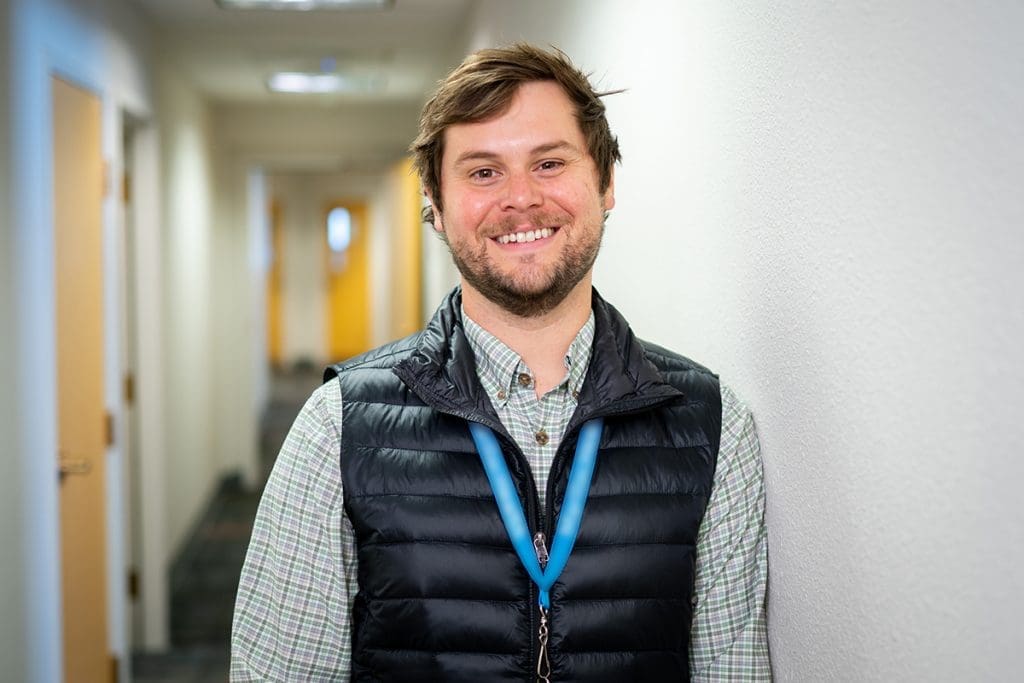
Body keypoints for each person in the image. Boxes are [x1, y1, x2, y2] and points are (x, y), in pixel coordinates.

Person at [231, 43, 770, 682]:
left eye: (548, 162)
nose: (521, 199)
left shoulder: (712, 425)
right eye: (483, 172)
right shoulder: (338, 425)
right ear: (434, 201)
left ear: (606, 183)